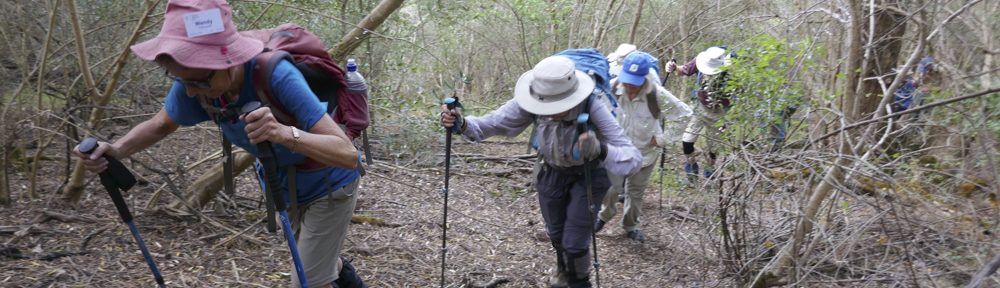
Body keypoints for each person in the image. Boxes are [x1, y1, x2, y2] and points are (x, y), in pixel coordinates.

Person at [72, 1, 367, 287]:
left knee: (308, 279)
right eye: (177, 79)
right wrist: (116, 149)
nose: (188, 90)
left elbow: (347, 155)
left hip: (329, 183)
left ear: (230, 60)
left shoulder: (276, 76)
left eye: (197, 82)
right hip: (284, 187)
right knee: (319, 264)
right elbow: (162, 124)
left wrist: (281, 133)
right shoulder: (194, 81)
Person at [440, 55, 642, 288]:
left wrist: (600, 149)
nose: (549, 112)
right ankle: (563, 270)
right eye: (545, 106)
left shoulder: (593, 105)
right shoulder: (532, 99)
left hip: (588, 174)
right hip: (551, 172)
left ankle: (580, 280)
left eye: (557, 107)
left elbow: (632, 159)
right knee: (556, 234)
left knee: (575, 241)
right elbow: (493, 123)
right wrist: (462, 124)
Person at [594, 51, 692, 242]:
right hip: (617, 152)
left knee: (635, 192)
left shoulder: (656, 94)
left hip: (645, 153)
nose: (630, 88)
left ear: (644, 79)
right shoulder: (611, 89)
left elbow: (685, 114)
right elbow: (598, 114)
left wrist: (663, 139)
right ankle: (604, 216)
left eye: (635, 83)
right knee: (610, 189)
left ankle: (631, 225)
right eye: (627, 82)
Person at [666, 46, 736, 181]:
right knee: (687, 141)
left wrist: (728, 121)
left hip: (720, 113)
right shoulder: (701, 59)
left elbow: (739, 97)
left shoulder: (733, 70)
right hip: (699, 108)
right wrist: (673, 67)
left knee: (713, 148)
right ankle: (691, 167)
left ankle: (709, 172)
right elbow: (682, 71)